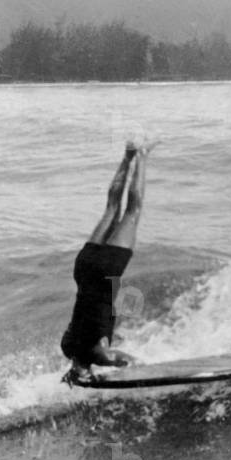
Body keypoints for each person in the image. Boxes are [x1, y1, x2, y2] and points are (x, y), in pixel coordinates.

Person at [61, 140, 158, 384]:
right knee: (111, 208)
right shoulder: (68, 347)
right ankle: (127, 157)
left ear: (86, 371)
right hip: (83, 267)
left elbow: (127, 360)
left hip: (106, 273)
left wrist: (144, 370)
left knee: (133, 211)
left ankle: (143, 156)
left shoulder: (99, 354)